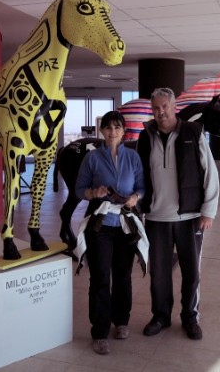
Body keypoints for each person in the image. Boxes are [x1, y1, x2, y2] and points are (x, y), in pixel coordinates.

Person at [136, 87, 219, 340]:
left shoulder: (193, 133)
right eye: (156, 108)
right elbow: (139, 176)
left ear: (174, 107)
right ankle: (160, 316)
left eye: (164, 106)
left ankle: (190, 317)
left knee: (191, 271)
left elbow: (210, 173)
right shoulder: (145, 137)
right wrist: (138, 210)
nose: (160, 112)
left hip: (190, 217)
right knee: (159, 272)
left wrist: (209, 211)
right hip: (156, 218)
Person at [74, 110, 147, 355]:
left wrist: (135, 198)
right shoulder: (92, 159)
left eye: (117, 128)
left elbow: (141, 187)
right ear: (102, 131)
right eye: (108, 128)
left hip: (125, 225)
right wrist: (94, 194)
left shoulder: (133, 157)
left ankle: (122, 321)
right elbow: (79, 190)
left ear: (123, 131)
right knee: (100, 277)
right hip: (101, 225)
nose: (113, 132)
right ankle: (100, 332)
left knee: (124, 276)